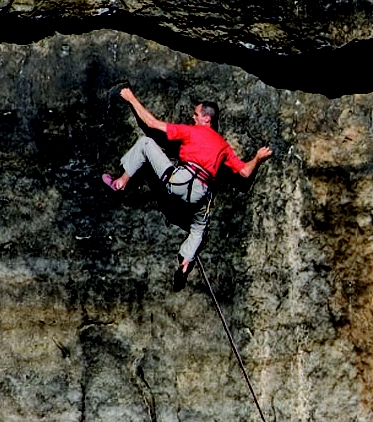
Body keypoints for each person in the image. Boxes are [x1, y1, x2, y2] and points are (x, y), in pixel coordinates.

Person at [102, 87, 273, 291]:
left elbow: (151, 124)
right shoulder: (224, 146)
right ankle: (185, 262)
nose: (193, 117)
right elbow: (245, 172)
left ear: (206, 119)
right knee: (199, 228)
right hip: (201, 193)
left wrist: (131, 98)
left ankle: (120, 183)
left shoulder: (193, 131)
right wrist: (258, 158)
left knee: (145, 143)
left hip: (179, 181)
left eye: (196, 114)